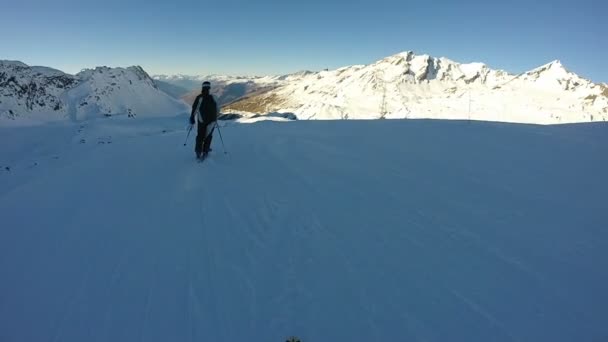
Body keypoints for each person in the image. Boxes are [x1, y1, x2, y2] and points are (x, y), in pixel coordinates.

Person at [189, 81, 218, 159]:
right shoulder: (214, 97)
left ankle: (198, 152)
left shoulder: (200, 97)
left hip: (202, 120)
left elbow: (195, 108)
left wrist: (192, 117)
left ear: (202, 87)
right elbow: (217, 109)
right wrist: (216, 118)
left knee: (200, 136)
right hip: (212, 121)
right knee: (208, 136)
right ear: (209, 87)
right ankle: (205, 151)